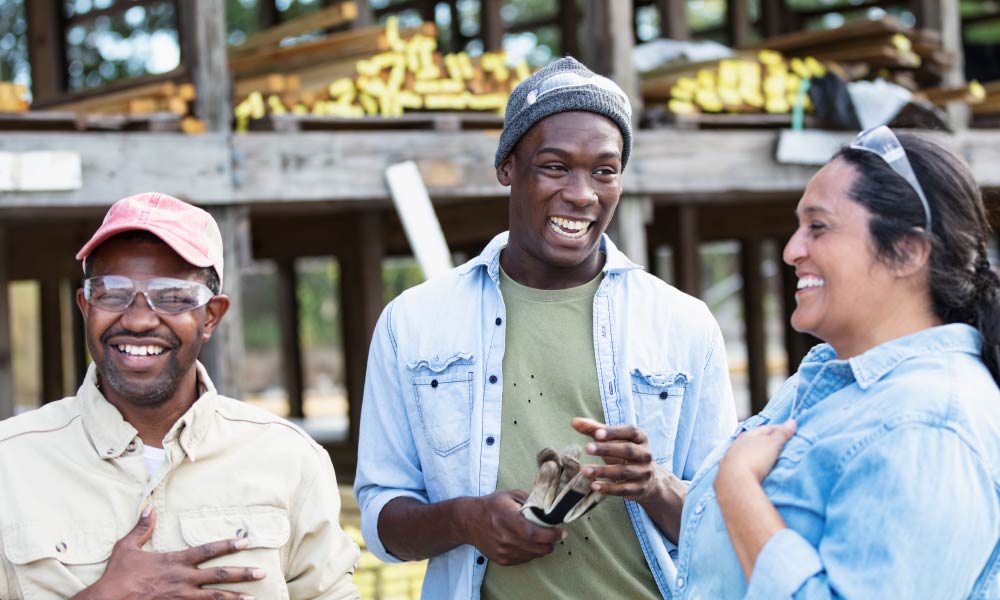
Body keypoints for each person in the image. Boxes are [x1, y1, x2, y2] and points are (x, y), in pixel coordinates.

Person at [354, 56, 737, 599]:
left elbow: (726, 530)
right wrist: (466, 521)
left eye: (604, 171)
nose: (582, 193)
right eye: (555, 166)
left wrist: (652, 485)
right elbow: (381, 518)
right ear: (508, 167)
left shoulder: (683, 325)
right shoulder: (415, 323)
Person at [671, 127, 1000, 599]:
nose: (791, 250)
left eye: (818, 227)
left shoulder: (928, 425)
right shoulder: (826, 377)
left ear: (907, 251)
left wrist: (740, 487)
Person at [0, 192, 360, 600]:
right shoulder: (9, 464)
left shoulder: (290, 460)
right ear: (86, 307)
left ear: (211, 316)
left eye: (171, 296)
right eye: (112, 293)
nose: (137, 320)